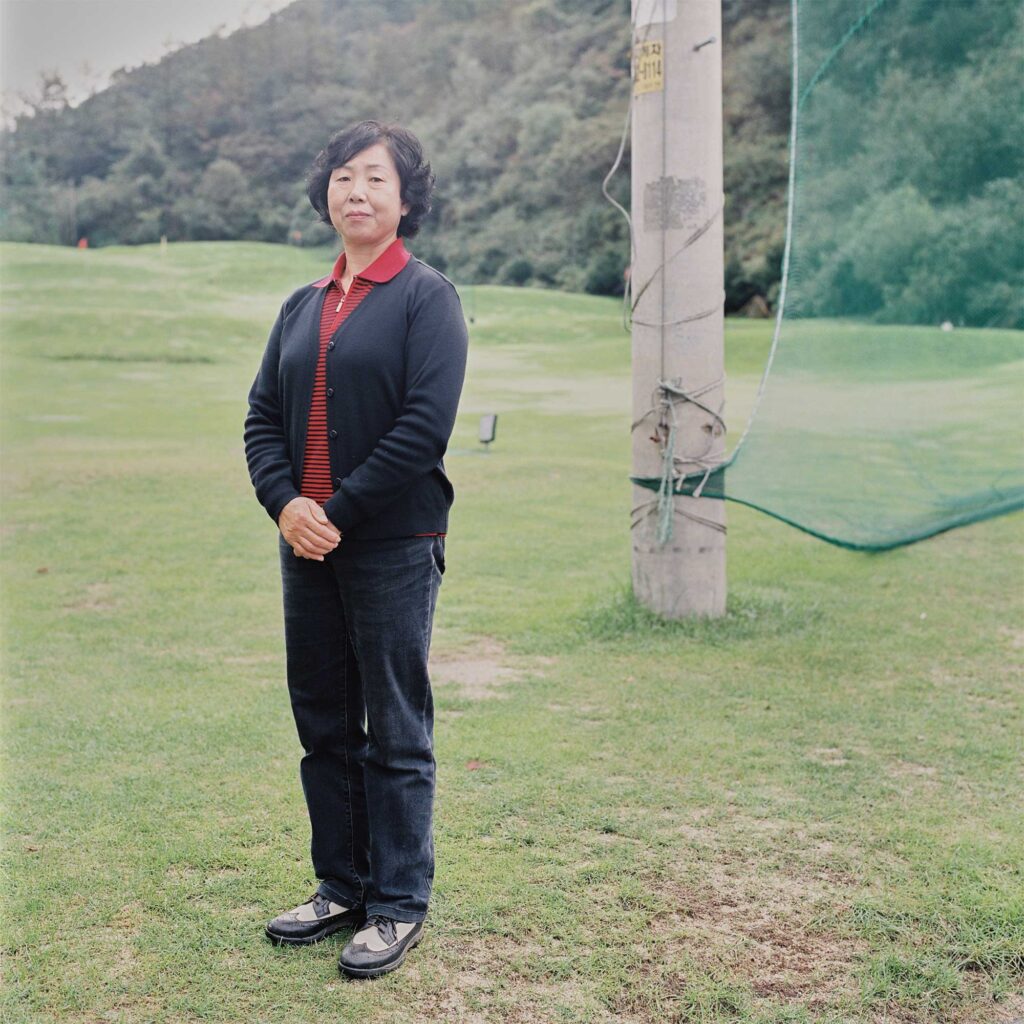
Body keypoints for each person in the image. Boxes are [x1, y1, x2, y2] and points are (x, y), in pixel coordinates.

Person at [243, 120, 468, 979]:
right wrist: (287, 504)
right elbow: (263, 418)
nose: (357, 193)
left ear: (405, 199)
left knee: (395, 729)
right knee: (324, 723)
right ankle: (340, 885)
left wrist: (333, 509)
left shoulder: (426, 297)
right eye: (344, 177)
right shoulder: (302, 305)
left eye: (375, 179)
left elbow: (423, 428)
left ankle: (398, 902)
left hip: (393, 544)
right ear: (326, 193)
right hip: (307, 544)